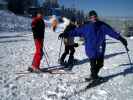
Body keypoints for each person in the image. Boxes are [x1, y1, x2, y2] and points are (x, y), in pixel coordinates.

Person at [59, 10, 128, 80]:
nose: (94, 18)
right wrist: (66, 34)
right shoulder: (86, 27)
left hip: (100, 49)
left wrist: (121, 38)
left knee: (100, 64)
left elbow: (111, 32)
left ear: (97, 17)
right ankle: (94, 76)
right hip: (91, 49)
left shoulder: (102, 25)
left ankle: (93, 75)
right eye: (92, 17)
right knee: (93, 64)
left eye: (95, 16)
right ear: (89, 18)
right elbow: (76, 31)